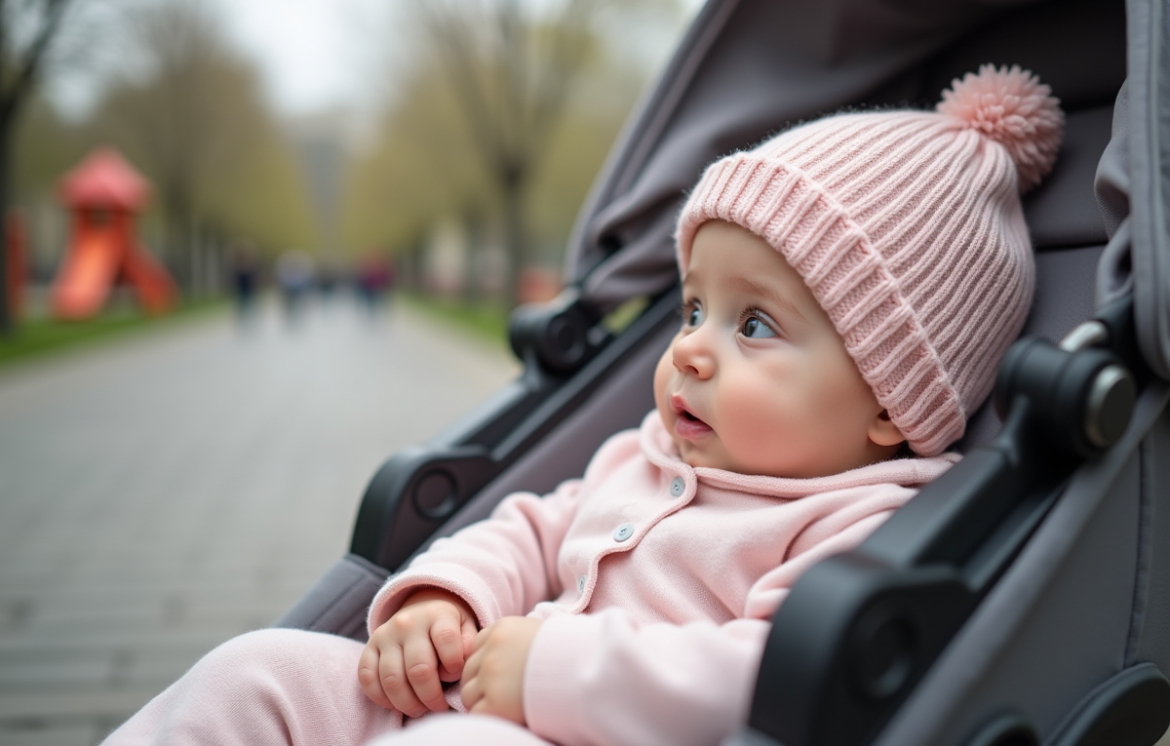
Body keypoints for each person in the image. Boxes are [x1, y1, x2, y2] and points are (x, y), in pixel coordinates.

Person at [101, 64, 1063, 746]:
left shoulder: (856, 524)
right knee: (257, 671)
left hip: (569, 723)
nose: (688, 345)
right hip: (485, 693)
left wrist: (559, 672)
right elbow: (527, 528)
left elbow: (765, 676)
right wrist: (448, 595)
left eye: (755, 325)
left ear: (890, 402)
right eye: (693, 307)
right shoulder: (649, 457)